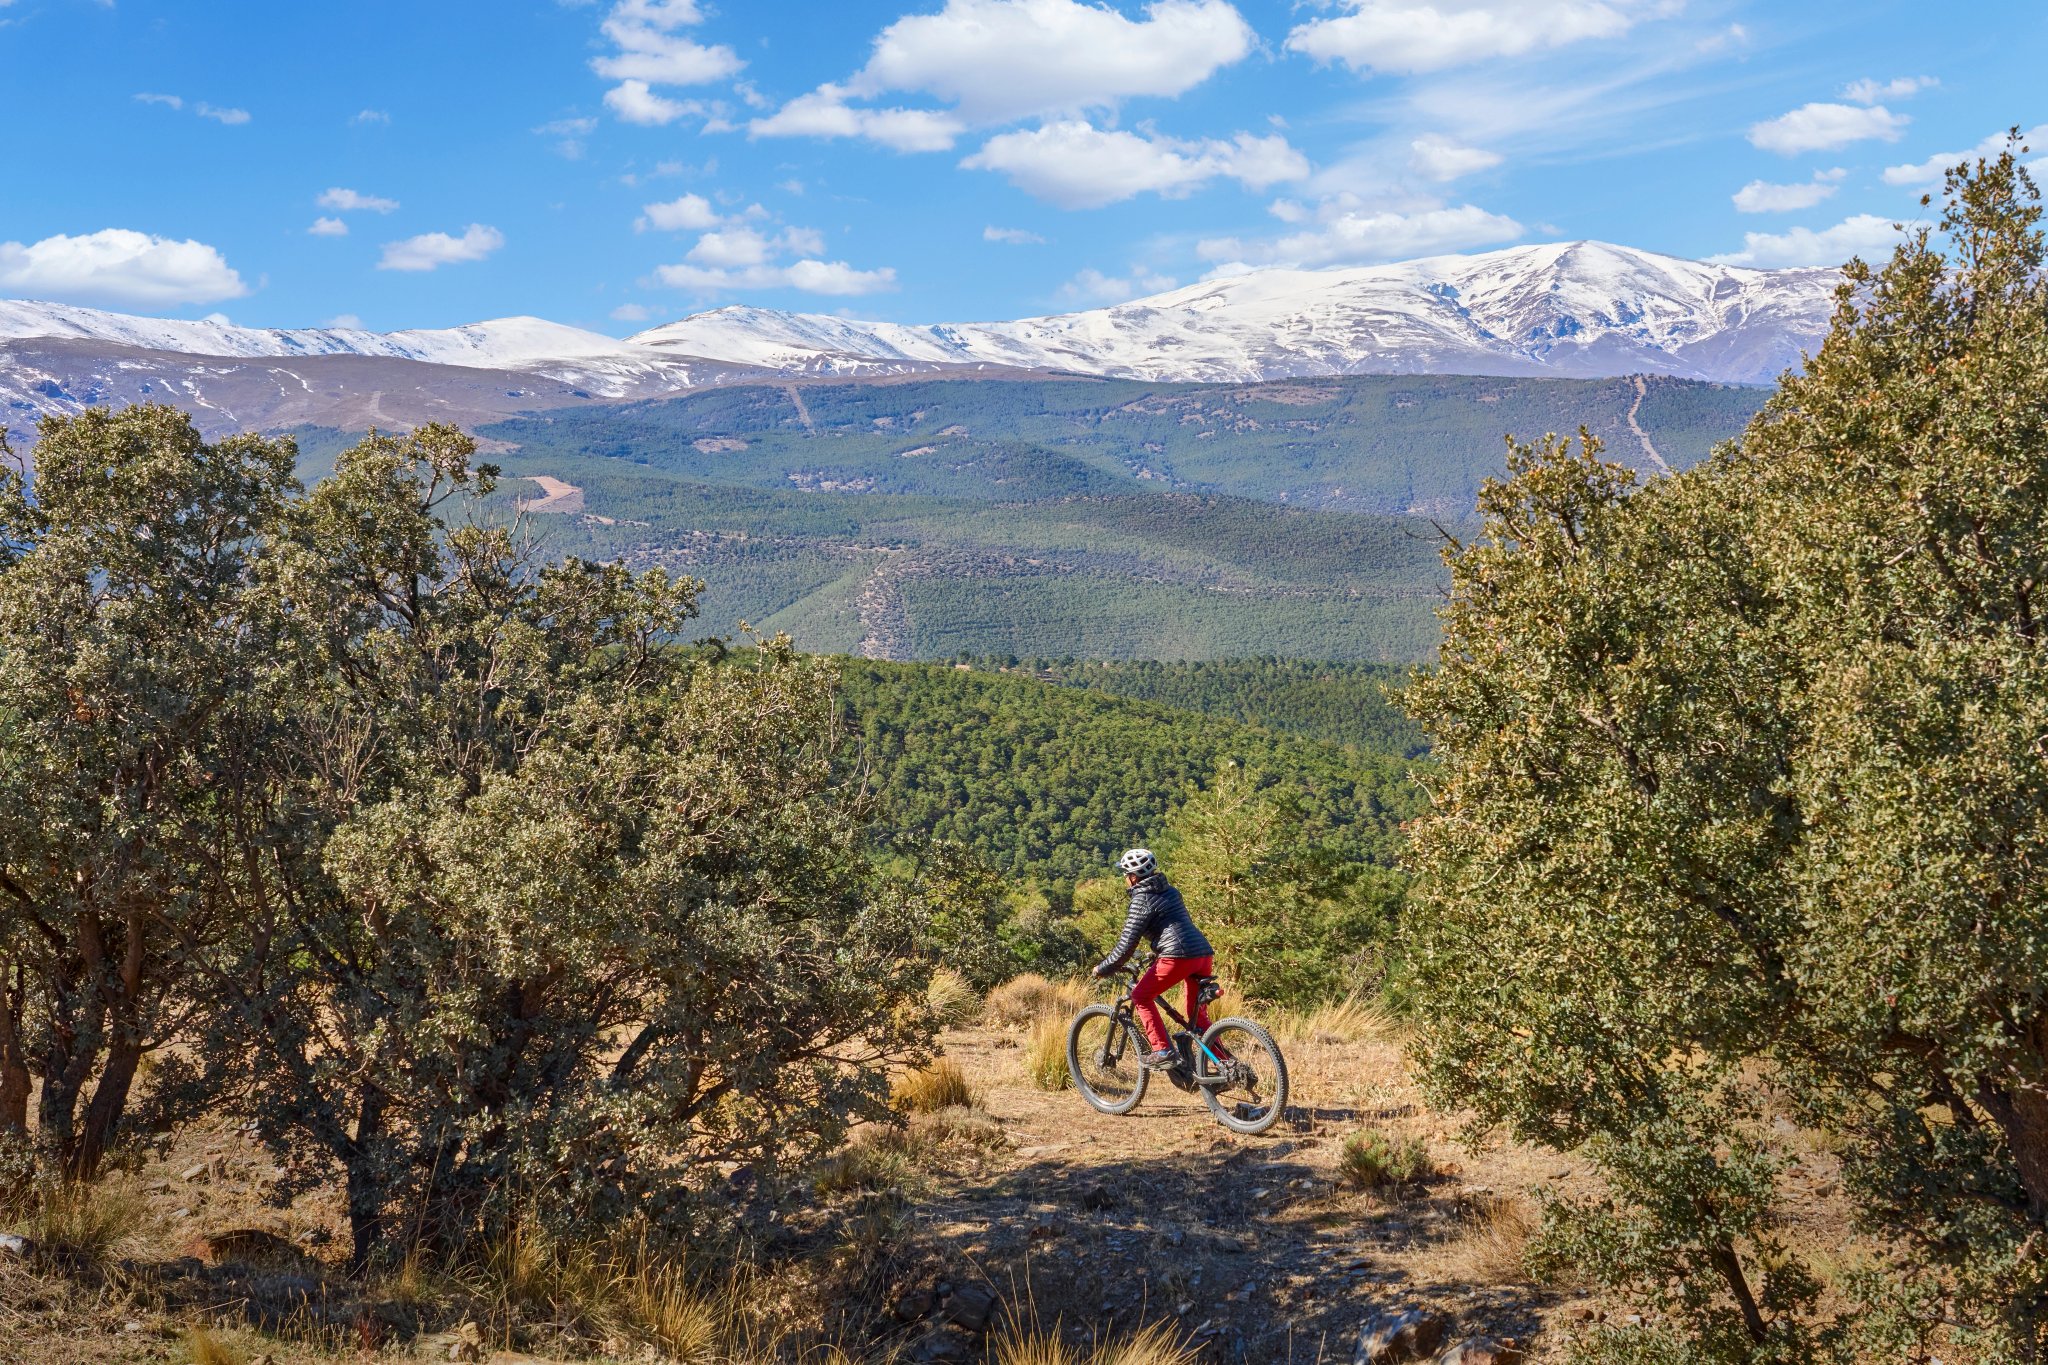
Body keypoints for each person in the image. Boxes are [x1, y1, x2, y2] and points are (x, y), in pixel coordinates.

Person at [1092, 848, 1215, 1070]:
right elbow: (1173, 925)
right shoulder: (1171, 891)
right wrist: (1157, 950)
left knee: (1141, 996)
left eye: (1125, 876)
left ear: (1133, 877)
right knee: (1199, 1019)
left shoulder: (1141, 900)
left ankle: (1162, 1050)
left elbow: (1126, 945)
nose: (1125, 880)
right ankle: (1228, 1066)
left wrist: (1104, 967)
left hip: (1177, 957)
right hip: (1202, 953)